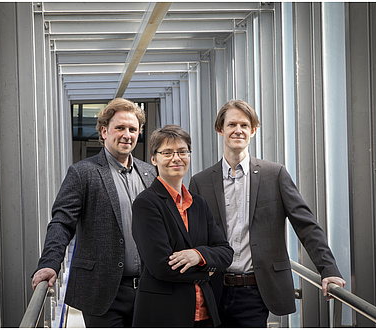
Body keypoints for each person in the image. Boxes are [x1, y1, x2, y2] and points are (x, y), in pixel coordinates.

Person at [188, 100, 346, 327]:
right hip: (214, 289)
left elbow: (306, 225)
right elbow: (192, 235)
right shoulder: (201, 181)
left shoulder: (275, 174)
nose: (238, 130)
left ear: (253, 130)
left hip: (256, 290)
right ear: (220, 129)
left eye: (244, 125)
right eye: (232, 124)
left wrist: (328, 269)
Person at [31, 98, 156, 327]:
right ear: (104, 131)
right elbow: (62, 222)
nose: (127, 134)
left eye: (132, 129)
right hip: (103, 291)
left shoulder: (149, 173)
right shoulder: (83, 173)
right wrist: (49, 263)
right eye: (120, 128)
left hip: (149, 290)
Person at [131, 125, 233, 327]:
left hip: (205, 314)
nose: (176, 158)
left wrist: (199, 255)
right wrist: (208, 270)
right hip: (165, 314)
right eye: (167, 153)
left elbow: (225, 252)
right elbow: (161, 267)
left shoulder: (199, 203)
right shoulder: (147, 203)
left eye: (182, 152)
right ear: (154, 159)